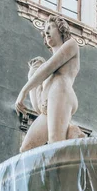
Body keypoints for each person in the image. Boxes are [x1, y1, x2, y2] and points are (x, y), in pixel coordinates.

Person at [15, 15, 81, 151]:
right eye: (45, 30)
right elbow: (38, 108)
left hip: (62, 92)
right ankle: (72, 132)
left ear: (61, 29)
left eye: (50, 27)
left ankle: (72, 135)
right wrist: (31, 76)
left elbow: (50, 65)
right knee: (26, 149)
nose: (46, 32)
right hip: (47, 108)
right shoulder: (47, 76)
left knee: (55, 144)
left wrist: (24, 91)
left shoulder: (71, 45)